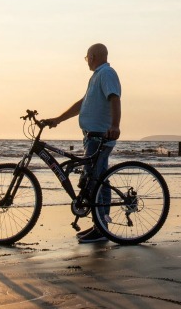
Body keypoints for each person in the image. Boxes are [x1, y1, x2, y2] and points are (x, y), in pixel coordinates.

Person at [42, 43, 122, 244]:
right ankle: (100, 225)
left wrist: (115, 125)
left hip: (99, 136)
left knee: (97, 180)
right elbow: (82, 104)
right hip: (91, 136)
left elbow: (115, 98)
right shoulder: (96, 76)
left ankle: (102, 228)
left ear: (93, 56)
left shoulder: (107, 73)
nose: (87, 61)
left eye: (87, 58)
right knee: (97, 178)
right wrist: (58, 119)